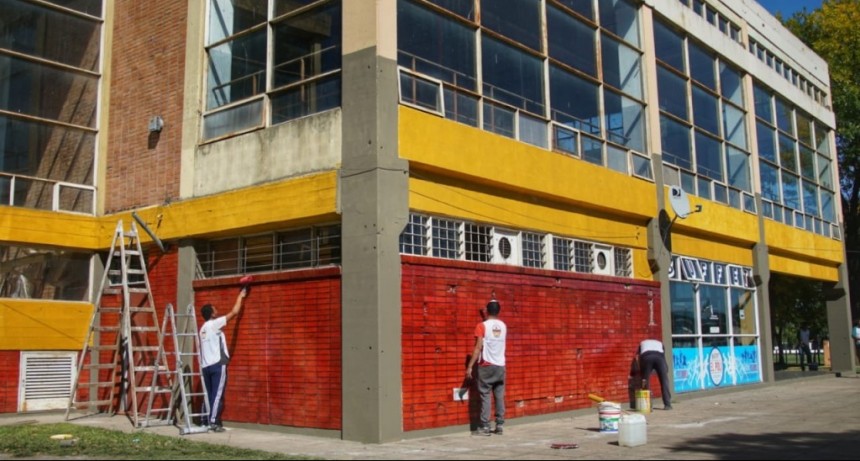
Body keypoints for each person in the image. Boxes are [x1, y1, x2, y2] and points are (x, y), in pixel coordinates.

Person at [200, 288, 247, 432]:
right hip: (217, 365)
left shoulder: (202, 328)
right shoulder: (214, 324)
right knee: (217, 394)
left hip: (206, 366)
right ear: (211, 314)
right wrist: (241, 296)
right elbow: (234, 312)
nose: (217, 310)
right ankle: (213, 422)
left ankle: (204, 419)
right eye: (215, 309)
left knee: (209, 394)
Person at [466, 300, 507, 436]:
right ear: (498, 311)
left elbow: (478, 347)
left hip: (486, 365)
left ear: (487, 310)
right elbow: (493, 333)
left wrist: (470, 366)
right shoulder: (503, 326)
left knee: (485, 395)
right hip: (500, 365)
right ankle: (499, 425)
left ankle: (485, 426)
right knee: (499, 395)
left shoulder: (481, 326)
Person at [637, 339, 672, 410]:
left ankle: (647, 405)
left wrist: (643, 373)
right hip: (660, 358)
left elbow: (640, 357)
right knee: (664, 381)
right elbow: (663, 357)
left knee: (645, 381)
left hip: (646, 357)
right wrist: (665, 370)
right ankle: (667, 405)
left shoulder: (642, 343)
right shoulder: (660, 343)